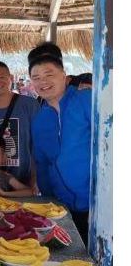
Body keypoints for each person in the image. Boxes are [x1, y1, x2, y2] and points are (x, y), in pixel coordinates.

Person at [29, 52, 93, 242]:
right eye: (36, 78)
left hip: (98, 204)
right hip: (62, 209)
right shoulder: (40, 120)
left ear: (64, 76)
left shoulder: (86, 100)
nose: (43, 81)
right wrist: (50, 203)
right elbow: (42, 164)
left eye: (49, 74)